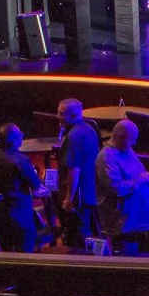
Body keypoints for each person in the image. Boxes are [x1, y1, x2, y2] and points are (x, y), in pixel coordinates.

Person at [0, 121, 55, 253]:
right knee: (26, 252)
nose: (23, 136)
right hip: (20, 215)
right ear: (14, 141)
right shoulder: (20, 160)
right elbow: (36, 186)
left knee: (6, 250)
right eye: (20, 135)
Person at [95, 119, 149, 254]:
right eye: (132, 140)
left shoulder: (127, 149)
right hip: (121, 215)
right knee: (131, 252)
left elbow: (138, 175)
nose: (134, 143)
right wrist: (141, 181)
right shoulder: (106, 157)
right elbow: (116, 188)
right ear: (120, 136)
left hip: (137, 210)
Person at [57, 98, 101, 250]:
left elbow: (73, 170)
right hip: (90, 189)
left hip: (78, 194)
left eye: (62, 114)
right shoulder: (90, 129)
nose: (59, 117)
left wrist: (69, 199)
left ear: (74, 116)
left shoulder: (72, 137)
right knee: (89, 230)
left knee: (78, 236)